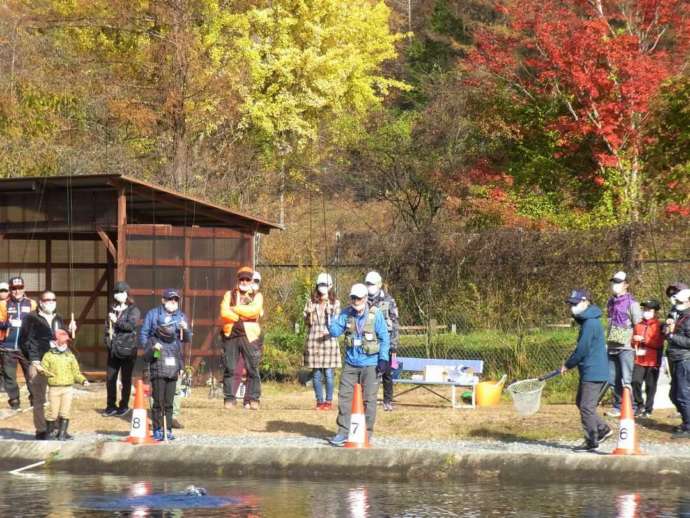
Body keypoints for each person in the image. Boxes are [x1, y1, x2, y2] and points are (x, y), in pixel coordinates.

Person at [328, 283, 390, 447]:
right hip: (350, 363)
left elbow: (384, 338)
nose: (356, 301)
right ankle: (343, 432)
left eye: (359, 298)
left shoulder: (376, 315)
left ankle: (366, 433)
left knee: (369, 400)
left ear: (365, 298)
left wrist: (383, 359)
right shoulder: (346, 314)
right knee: (344, 397)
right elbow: (335, 332)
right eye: (353, 298)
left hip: (371, 364)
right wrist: (330, 319)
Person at [19, 290, 76, 440]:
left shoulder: (58, 318)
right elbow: (25, 341)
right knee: (39, 398)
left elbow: (62, 339)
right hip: (39, 363)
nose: (50, 302)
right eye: (47, 299)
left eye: (53, 299)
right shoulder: (31, 318)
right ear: (40, 301)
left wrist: (70, 331)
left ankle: (57, 428)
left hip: (57, 363)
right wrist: (34, 360)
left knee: (58, 396)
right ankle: (41, 430)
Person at [562, 289, 612, 453]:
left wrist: (568, 364)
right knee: (581, 403)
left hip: (594, 371)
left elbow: (582, 349)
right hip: (589, 370)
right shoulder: (588, 321)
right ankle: (603, 429)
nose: (572, 307)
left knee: (586, 407)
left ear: (585, 302)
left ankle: (592, 440)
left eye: (575, 304)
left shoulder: (590, 323)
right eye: (571, 304)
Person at [140, 288, 191, 441]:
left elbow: (186, 339)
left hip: (174, 360)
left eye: (175, 300)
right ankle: (157, 429)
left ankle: (167, 429)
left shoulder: (181, 316)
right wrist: (150, 347)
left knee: (169, 401)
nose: (173, 303)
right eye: (170, 300)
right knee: (158, 400)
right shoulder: (153, 314)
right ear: (163, 300)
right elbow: (144, 334)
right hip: (157, 357)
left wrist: (185, 329)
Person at [219, 267, 264, 410]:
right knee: (230, 368)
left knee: (253, 368)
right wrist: (241, 315)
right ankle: (229, 399)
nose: (244, 282)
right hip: (231, 335)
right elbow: (224, 312)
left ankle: (253, 399)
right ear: (238, 280)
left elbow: (254, 311)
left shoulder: (257, 296)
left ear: (251, 281)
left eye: (247, 279)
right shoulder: (228, 294)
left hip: (249, 336)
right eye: (241, 279)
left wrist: (235, 309)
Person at [605, 271, 642, 417]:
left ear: (626, 284)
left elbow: (638, 325)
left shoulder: (633, 304)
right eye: (614, 282)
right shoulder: (610, 302)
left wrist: (635, 342)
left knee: (627, 379)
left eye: (619, 282)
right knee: (613, 378)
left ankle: (631, 407)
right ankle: (617, 406)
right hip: (612, 345)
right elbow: (609, 321)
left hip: (626, 347)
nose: (615, 285)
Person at [41, 329, 89, 440]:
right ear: (55, 342)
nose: (65, 344)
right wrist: (41, 370)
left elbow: (76, 372)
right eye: (62, 342)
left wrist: (83, 380)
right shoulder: (48, 356)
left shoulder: (70, 356)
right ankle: (49, 433)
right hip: (54, 388)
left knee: (65, 412)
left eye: (66, 342)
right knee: (52, 412)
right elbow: (44, 369)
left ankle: (62, 434)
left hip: (67, 388)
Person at [303, 273, 341, 410]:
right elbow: (307, 322)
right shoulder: (311, 301)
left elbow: (337, 322)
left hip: (329, 341)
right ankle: (319, 401)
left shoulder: (335, 303)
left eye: (325, 285)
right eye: (320, 285)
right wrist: (308, 315)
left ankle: (328, 402)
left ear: (330, 286)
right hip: (314, 340)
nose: (322, 288)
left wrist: (330, 328)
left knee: (329, 374)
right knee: (316, 374)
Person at [102, 281, 140, 417]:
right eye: (116, 293)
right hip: (113, 349)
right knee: (110, 378)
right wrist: (107, 340)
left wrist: (116, 321)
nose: (118, 295)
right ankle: (110, 406)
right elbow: (107, 328)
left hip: (128, 349)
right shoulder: (112, 309)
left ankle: (124, 405)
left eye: (121, 292)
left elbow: (130, 326)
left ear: (127, 294)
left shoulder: (133, 310)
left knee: (126, 379)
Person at [0, 276, 37, 409]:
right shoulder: (3, 304)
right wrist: (7, 324)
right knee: (9, 376)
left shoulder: (32, 304)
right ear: (10, 290)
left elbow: (39, 323)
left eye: (19, 288)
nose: (17, 291)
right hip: (8, 346)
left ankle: (35, 398)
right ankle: (14, 400)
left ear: (24, 288)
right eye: (14, 288)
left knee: (31, 375)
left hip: (26, 347)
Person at [364, 271, 399, 411]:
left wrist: (394, 345)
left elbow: (395, 323)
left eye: (372, 284)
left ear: (379, 284)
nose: (369, 286)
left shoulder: (389, 300)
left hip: (387, 342)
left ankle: (387, 401)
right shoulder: (363, 299)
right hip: (369, 342)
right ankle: (367, 400)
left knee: (387, 373)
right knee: (369, 372)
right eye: (367, 284)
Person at [631, 299, 664, 418]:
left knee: (650, 385)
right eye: (644, 309)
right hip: (639, 359)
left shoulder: (659, 325)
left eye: (649, 310)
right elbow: (632, 342)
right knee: (635, 381)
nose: (646, 312)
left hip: (653, 360)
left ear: (655, 311)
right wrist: (635, 340)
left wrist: (644, 340)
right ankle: (639, 404)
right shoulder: (638, 324)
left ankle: (648, 409)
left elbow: (659, 343)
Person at [666, 288, 690, 438]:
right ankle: (686, 421)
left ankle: (688, 426)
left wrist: (672, 336)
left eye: (680, 302)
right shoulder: (678, 314)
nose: (677, 304)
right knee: (673, 394)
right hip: (675, 357)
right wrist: (667, 326)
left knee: (682, 394)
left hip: (685, 359)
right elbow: (669, 330)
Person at [0, 281, 11, 393]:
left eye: (5, 290)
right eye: (1, 290)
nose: (3, 293)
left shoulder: (12, 303)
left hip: (8, 339)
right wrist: (5, 324)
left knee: (6, 362)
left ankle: (6, 384)